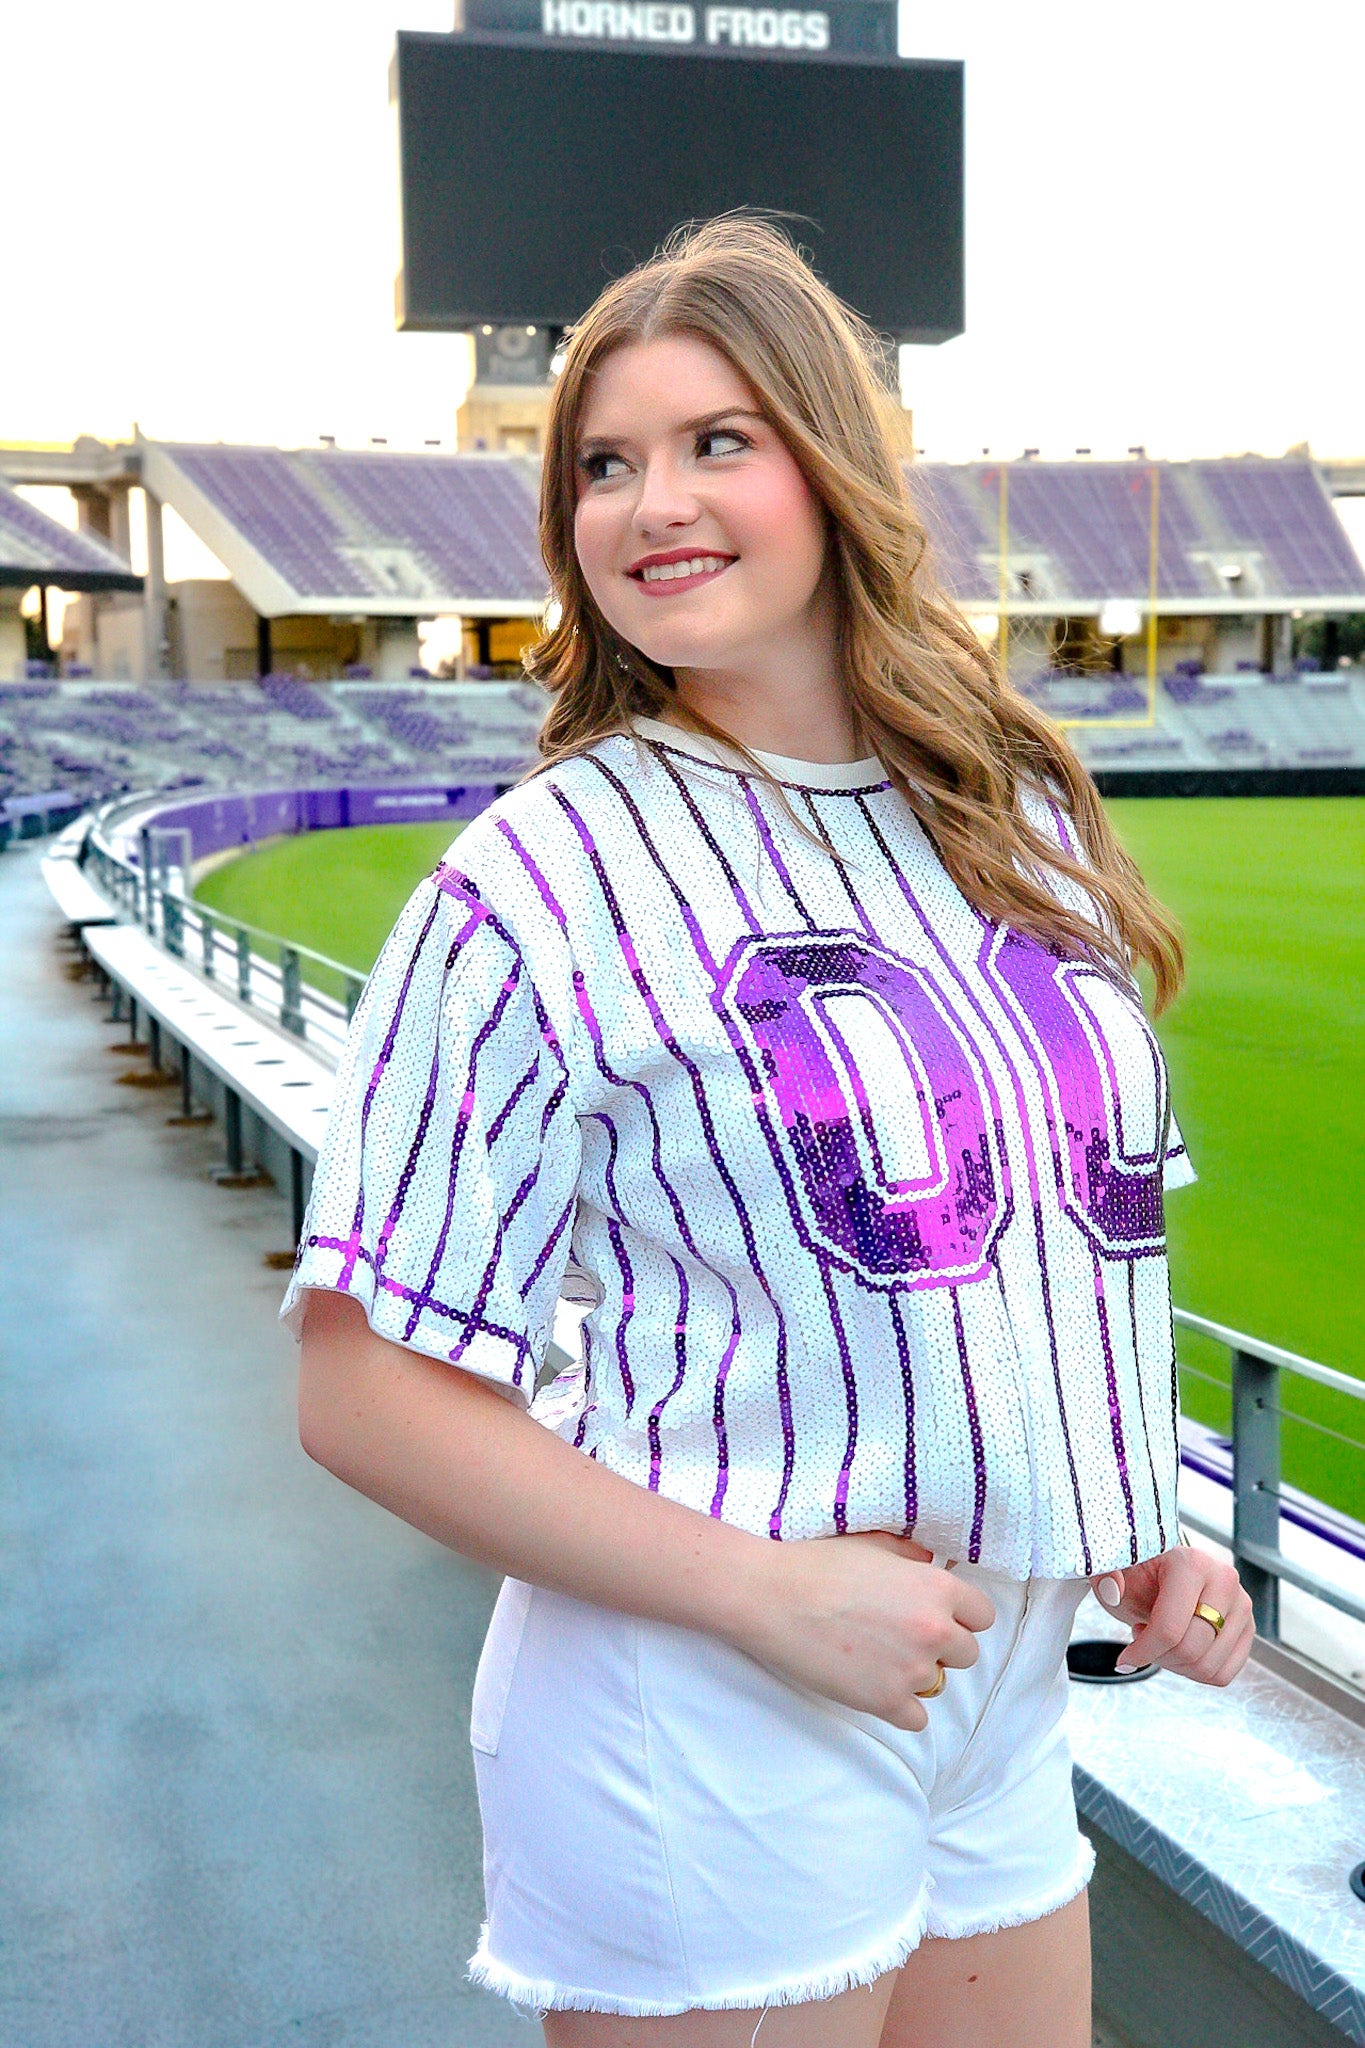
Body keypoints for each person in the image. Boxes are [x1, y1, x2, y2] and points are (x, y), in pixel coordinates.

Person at [286, 217, 1253, 2047]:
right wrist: (762, 1595)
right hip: (706, 1683)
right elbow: (359, 1390)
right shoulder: (537, 878)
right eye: (603, 462)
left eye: (716, 440)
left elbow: (1055, 1250)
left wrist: (1140, 1518)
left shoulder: (1006, 822)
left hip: (996, 1682)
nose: (651, 500)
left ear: (831, 466)